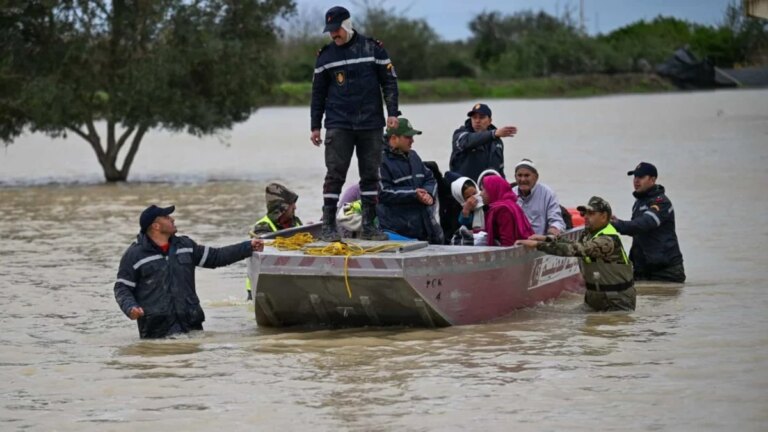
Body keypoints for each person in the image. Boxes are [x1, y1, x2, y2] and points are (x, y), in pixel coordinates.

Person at [310, 5, 400, 242]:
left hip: (371, 123)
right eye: (330, 31)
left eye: (337, 29)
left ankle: (369, 225)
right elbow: (317, 94)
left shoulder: (373, 48)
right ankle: (328, 226)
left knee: (371, 175)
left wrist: (392, 112)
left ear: (347, 25)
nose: (334, 35)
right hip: (339, 123)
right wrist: (315, 126)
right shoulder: (325, 56)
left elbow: (389, 83)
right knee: (334, 174)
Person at [114, 205, 264, 339]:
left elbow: (216, 257)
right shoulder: (134, 255)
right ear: (156, 226)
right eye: (166, 217)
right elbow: (122, 287)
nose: (172, 219)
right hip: (156, 333)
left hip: (192, 328)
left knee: (191, 370)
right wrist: (130, 307)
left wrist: (248, 247)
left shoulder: (185, 245)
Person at [517, 196, 636, 312]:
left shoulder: (608, 239)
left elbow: (575, 249)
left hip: (617, 301)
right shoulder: (590, 233)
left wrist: (538, 245)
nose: (586, 217)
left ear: (604, 216)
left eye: (591, 213)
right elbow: (573, 243)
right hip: (594, 298)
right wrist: (546, 239)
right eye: (585, 214)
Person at [612, 162, 686, 283]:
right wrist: (614, 221)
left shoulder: (661, 202)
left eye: (640, 177)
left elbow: (644, 224)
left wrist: (617, 224)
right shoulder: (639, 202)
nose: (636, 181)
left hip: (666, 272)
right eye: (635, 177)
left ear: (652, 179)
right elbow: (635, 229)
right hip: (643, 270)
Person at [377, 117, 443, 244]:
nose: (412, 141)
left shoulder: (414, 156)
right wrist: (414, 194)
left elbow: (430, 178)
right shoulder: (379, 160)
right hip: (396, 232)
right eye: (408, 137)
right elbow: (383, 192)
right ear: (394, 138)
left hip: (421, 229)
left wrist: (428, 194)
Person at [246, 183, 302, 300]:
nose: (295, 208)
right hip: (260, 286)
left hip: (288, 282)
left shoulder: (296, 223)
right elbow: (266, 255)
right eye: (292, 205)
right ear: (283, 208)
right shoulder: (262, 228)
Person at [450, 103, 517, 181]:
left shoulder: (497, 142)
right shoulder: (460, 134)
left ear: (489, 121)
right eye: (474, 117)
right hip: (465, 190)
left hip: (489, 190)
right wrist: (493, 134)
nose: (477, 121)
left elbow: (500, 172)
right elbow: (468, 140)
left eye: (481, 117)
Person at [512, 159, 566, 236]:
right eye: (519, 175)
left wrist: (554, 228)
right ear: (515, 177)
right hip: (516, 243)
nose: (522, 179)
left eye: (527, 175)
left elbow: (557, 221)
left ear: (536, 177)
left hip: (539, 243)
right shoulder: (510, 194)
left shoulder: (548, 193)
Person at [481, 175, 534, 246]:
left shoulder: (503, 210)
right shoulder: (509, 204)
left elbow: (507, 242)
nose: (481, 194)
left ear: (493, 190)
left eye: (484, 190)